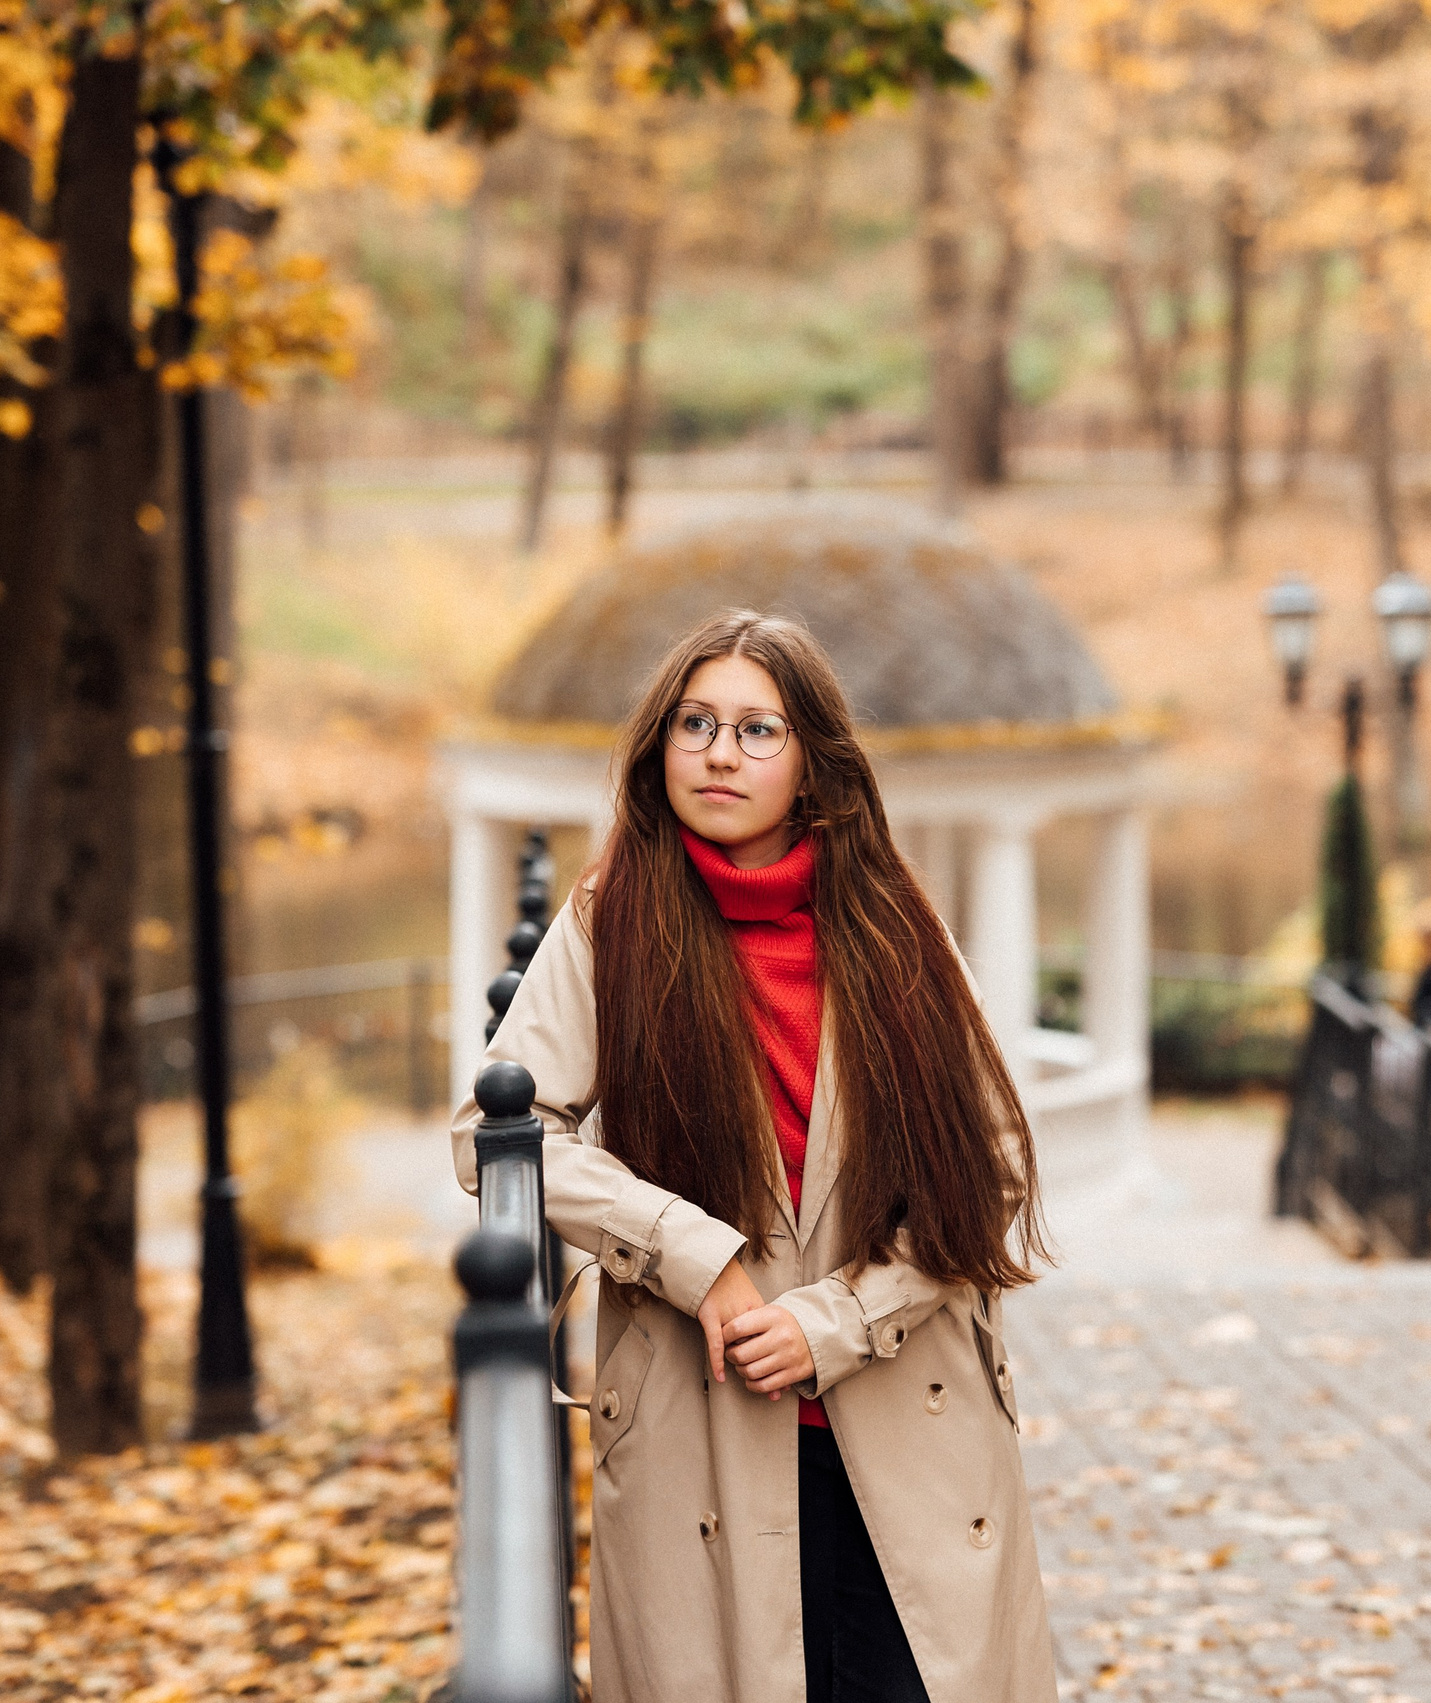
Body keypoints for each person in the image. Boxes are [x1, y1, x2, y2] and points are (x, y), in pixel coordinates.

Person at [451, 610, 1057, 1703]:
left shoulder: (893, 925)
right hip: (706, 1414)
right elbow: (498, 1130)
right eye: (694, 722)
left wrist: (834, 1319)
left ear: (814, 766)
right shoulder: (611, 923)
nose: (719, 752)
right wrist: (694, 1253)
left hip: (901, 1399)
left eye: (756, 729)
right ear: (659, 746)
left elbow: (993, 1160)